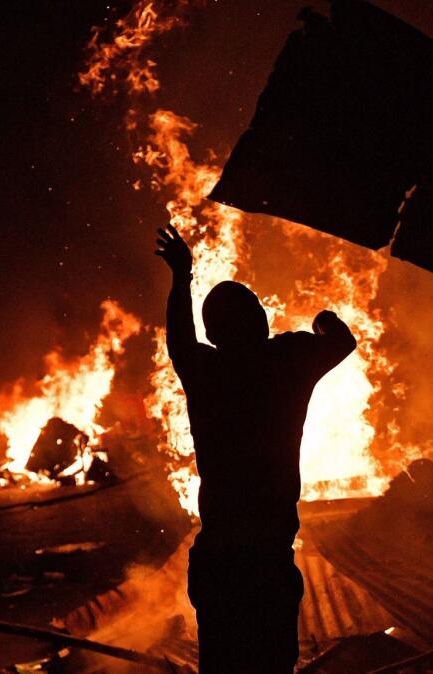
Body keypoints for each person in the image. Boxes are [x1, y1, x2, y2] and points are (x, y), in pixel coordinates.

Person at [154, 225, 356, 673]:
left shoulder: (205, 369)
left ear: (214, 333)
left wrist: (181, 278)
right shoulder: (289, 360)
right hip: (268, 558)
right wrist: (323, 317)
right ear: (260, 321)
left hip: (220, 557)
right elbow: (343, 341)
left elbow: (179, 340)